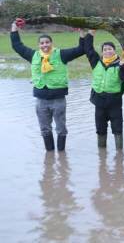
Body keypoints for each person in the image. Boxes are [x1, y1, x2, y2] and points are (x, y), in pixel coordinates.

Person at [10, 18, 85, 151]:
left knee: (61, 129)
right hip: (41, 100)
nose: (45, 45)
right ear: (39, 45)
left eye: (47, 42)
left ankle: (61, 155)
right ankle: (49, 155)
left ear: (52, 43)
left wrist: (81, 32)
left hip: (58, 100)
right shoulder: (32, 55)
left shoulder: (61, 54)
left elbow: (81, 49)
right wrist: (14, 27)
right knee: (45, 129)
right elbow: (17, 45)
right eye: (42, 43)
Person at [84, 30, 124, 149]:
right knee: (100, 129)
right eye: (105, 49)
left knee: (117, 128)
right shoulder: (96, 62)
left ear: (114, 50)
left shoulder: (120, 63)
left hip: (114, 101)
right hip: (99, 101)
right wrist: (90, 34)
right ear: (102, 52)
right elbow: (88, 49)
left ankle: (119, 152)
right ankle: (102, 153)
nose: (107, 51)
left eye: (110, 49)